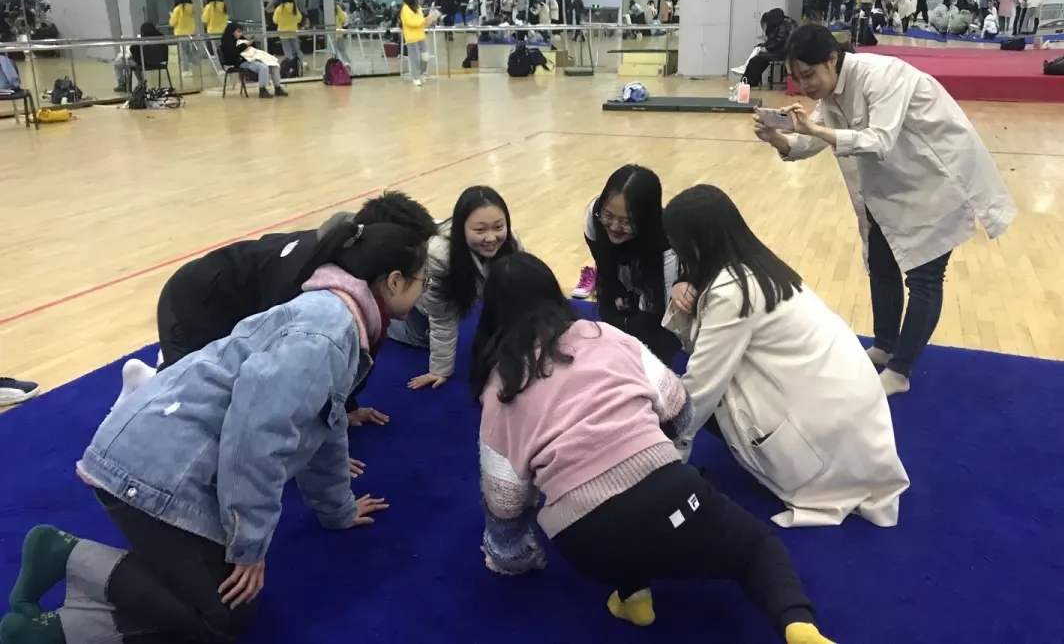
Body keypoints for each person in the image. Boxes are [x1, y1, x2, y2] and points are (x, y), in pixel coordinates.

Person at [0, 223, 425, 644]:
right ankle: (65, 570)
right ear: (393, 281)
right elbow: (257, 439)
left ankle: (64, 594)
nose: (425, 289)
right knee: (225, 618)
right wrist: (250, 545)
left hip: (155, 449)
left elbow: (323, 424)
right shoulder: (326, 336)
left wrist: (338, 509)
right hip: (147, 471)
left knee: (214, 604)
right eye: (422, 280)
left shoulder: (336, 315)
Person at [472, 253, 836, 644]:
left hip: (587, 543)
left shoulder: (499, 388)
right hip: (671, 500)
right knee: (755, 549)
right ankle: (799, 628)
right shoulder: (602, 335)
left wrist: (511, 556)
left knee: (626, 535)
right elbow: (680, 409)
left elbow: (504, 499)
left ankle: (634, 596)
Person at [755, 25, 1015, 396]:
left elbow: (879, 141)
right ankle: (885, 345)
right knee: (881, 266)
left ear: (831, 59)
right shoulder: (833, 93)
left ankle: (900, 371)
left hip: (935, 183)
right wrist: (778, 138)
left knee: (924, 279)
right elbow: (812, 141)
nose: (804, 85)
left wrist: (814, 129)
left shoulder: (882, 76)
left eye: (808, 75)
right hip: (890, 188)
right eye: (797, 78)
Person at [660, 185, 909, 527]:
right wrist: (683, 289)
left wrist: (667, 455)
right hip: (851, 409)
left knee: (693, 398)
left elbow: (702, 384)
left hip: (825, 429)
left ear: (696, 244)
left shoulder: (732, 292)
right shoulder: (756, 264)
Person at [124, 191, 435, 426]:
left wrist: (345, 409)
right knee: (195, 415)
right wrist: (315, 448)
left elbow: (348, 363)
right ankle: (133, 408)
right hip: (195, 304)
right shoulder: (309, 291)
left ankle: (149, 376)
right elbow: (272, 385)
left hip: (226, 297)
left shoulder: (353, 279)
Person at [391, 186, 521, 390]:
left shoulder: (510, 242)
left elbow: (520, 292)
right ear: (461, 228)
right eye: (480, 230)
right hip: (420, 301)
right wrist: (440, 369)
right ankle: (382, 315)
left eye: (498, 226)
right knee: (419, 339)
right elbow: (442, 318)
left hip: (459, 290)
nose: (491, 238)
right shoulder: (439, 255)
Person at [572, 165, 681, 365]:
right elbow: (603, 263)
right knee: (609, 318)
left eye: (626, 221)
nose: (614, 226)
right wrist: (615, 290)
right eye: (608, 216)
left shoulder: (667, 243)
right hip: (626, 273)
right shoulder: (594, 215)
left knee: (652, 340)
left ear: (646, 220)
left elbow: (657, 308)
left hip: (658, 290)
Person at [218, 22, 286, 99]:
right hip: (239, 62)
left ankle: (277, 88)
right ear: (232, 31)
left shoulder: (241, 39)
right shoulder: (227, 42)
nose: (240, 33)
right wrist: (245, 45)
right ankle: (262, 90)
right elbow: (233, 54)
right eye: (238, 31)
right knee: (263, 67)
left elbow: (253, 48)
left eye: (241, 31)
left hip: (251, 59)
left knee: (274, 65)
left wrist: (251, 42)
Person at [743, 9, 796, 87]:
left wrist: (767, 48)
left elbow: (779, 42)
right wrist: (765, 46)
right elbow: (775, 41)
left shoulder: (782, 27)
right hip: (778, 51)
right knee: (759, 57)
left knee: (757, 59)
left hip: (781, 52)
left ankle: (749, 81)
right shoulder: (780, 26)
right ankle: (749, 80)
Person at [399, 0, 440, 87]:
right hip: (411, 38)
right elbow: (410, 22)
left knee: (425, 57)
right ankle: (415, 77)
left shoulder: (418, 7)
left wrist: (429, 20)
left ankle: (421, 73)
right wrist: (423, 21)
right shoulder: (405, 8)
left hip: (421, 36)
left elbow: (421, 20)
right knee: (415, 58)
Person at [272, 0, 305, 72]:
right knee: (297, 50)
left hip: (283, 33)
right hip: (293, 31)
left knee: (288, 52)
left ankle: (291, 68)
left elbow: (275, 20)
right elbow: (299, 19)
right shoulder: (294, 8)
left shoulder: (280, 8)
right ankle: (301, 66)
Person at [168, 0, 199, 76]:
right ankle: (198, 63)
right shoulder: (192, 7)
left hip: (180, 34)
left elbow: (172, 22)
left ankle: (186, 70)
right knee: (189, 52)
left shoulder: (178, 9)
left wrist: (171, 16)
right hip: (191, 34)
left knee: (183, 53)